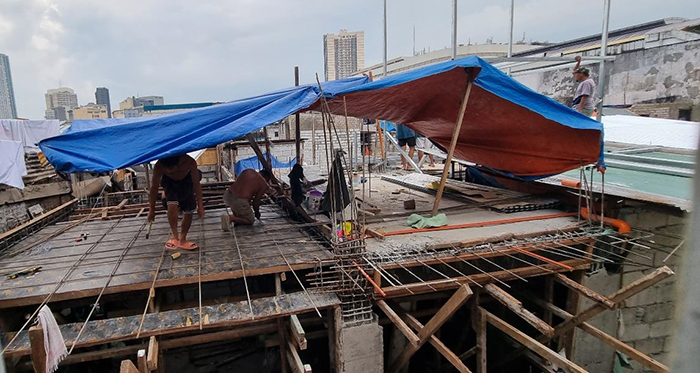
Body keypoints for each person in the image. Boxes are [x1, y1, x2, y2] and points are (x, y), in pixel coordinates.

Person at [148, 154, 204, 250]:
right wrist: (151, 209)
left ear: (178, 164)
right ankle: (175, 237)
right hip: (169, 182)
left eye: (171, 169)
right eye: (167, 169)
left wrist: (200, 205)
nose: (169, 171)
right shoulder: (159, 166)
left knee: (189, 209)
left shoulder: (188, 162)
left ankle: (183, 239)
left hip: (186, 180)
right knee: (172, 204)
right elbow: (154, 188)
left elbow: (197, 184)